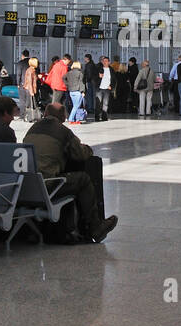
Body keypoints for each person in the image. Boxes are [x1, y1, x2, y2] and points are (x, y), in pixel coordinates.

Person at [23, 103, 118, 242]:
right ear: (63, 117)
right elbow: (80, 154)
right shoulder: (62, 131)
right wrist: (88, 149)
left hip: (26, 185)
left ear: (45, 114)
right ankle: (95, 227)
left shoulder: (32, 129)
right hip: (46, 185)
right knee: (83, 179)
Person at [20, 57, 41, 122]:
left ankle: (31, 117)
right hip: (30, 89)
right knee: (31, 104)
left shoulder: (31, 70)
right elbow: (29, 82)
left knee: (31, 104)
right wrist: (31, 92)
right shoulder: (31, 70)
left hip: (30, 89)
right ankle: (30, 117)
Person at [96, 56, 113, 121]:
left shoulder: (111, 70)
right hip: (99, 88)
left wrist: (111, 86)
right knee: (98, 103)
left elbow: (114, 79)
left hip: (107, 89)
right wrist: (98, 76)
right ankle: (97, 117)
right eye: (103, 61)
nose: (104, 62)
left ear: (109, 62)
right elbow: (94, 78)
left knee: (105, 104)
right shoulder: (98, 68)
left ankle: (104, 117)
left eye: (106, 61)